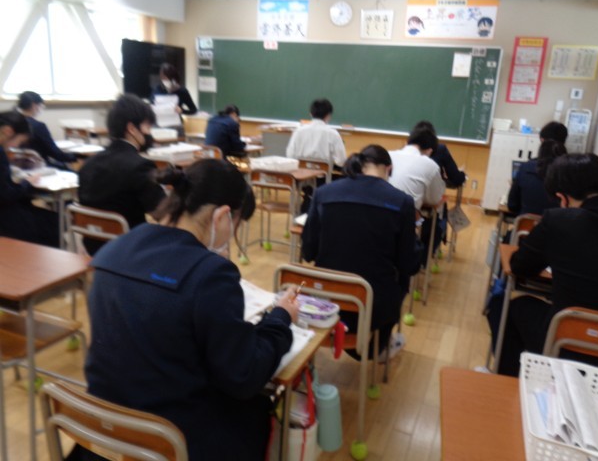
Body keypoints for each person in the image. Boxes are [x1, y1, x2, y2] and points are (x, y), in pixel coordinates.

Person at [73, 159, 298, 461]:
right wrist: (281, 318)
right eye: (236, 226)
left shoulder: (115, 248)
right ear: (223, 216)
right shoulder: (210, 275)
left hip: (101, 433)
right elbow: (243, 376)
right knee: (257, 407)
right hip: (169, 441)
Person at [497, 154, 598, 377]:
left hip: (568, 346)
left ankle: (511, 384)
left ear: (562, 198)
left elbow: (520, 267)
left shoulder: (558, 221)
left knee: (507, 305)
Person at [302, 145, 419, 358]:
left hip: (326, 298)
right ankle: (377, 345)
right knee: (400, 279)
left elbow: (308, 251)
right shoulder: (402, 202)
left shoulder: (324, 193)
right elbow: (407, 264)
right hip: (374, 305)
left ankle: (360, 344)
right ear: (388, 169)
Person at [79, 94, 166, 255]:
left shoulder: (88, 165)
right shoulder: (140, 166)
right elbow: (162, 213)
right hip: (129, 250)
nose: (150, 133)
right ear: (132, 128)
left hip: (95, 249)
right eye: (147, 126)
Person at [0, 111, 59, 247]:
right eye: (19, 142)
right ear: (8, 131)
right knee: (55, 222)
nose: (15, 147)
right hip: (4, 218)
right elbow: (6, 195)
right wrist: (27, 182)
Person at [389, 127, 446, 265]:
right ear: (430, 151)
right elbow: (434, 199)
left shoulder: (388, 154)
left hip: (376, 214)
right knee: (433, 224)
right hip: (404, 219)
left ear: (407, 141)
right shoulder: (430, 165)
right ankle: (419, 264)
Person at [17, 91, 77, 169]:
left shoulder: (10, 121)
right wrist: (76, 157)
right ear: (34, 105)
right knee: (70, 170)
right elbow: (55, 153)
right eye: (41, 105)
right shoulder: (38, 126)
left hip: (16, 165)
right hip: (38, 166)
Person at [507, 138, 567, 215]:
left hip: (526, 222)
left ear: (540, 153)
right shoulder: (566, 177)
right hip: (554, 222)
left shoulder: (525, 168)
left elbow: (512, 205)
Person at [286, 98, 347, 169]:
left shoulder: (298, 131)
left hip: (301, 172)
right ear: (328, 115)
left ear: (311, 113)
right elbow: (341, 161)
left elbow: (290, 155)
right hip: (323, 173)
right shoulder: (333, 134)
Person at [412, 120, 466, 187]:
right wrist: (462, 174)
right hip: (431, 189)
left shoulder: (407, 152)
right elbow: (455, 178)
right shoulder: (440, 150)